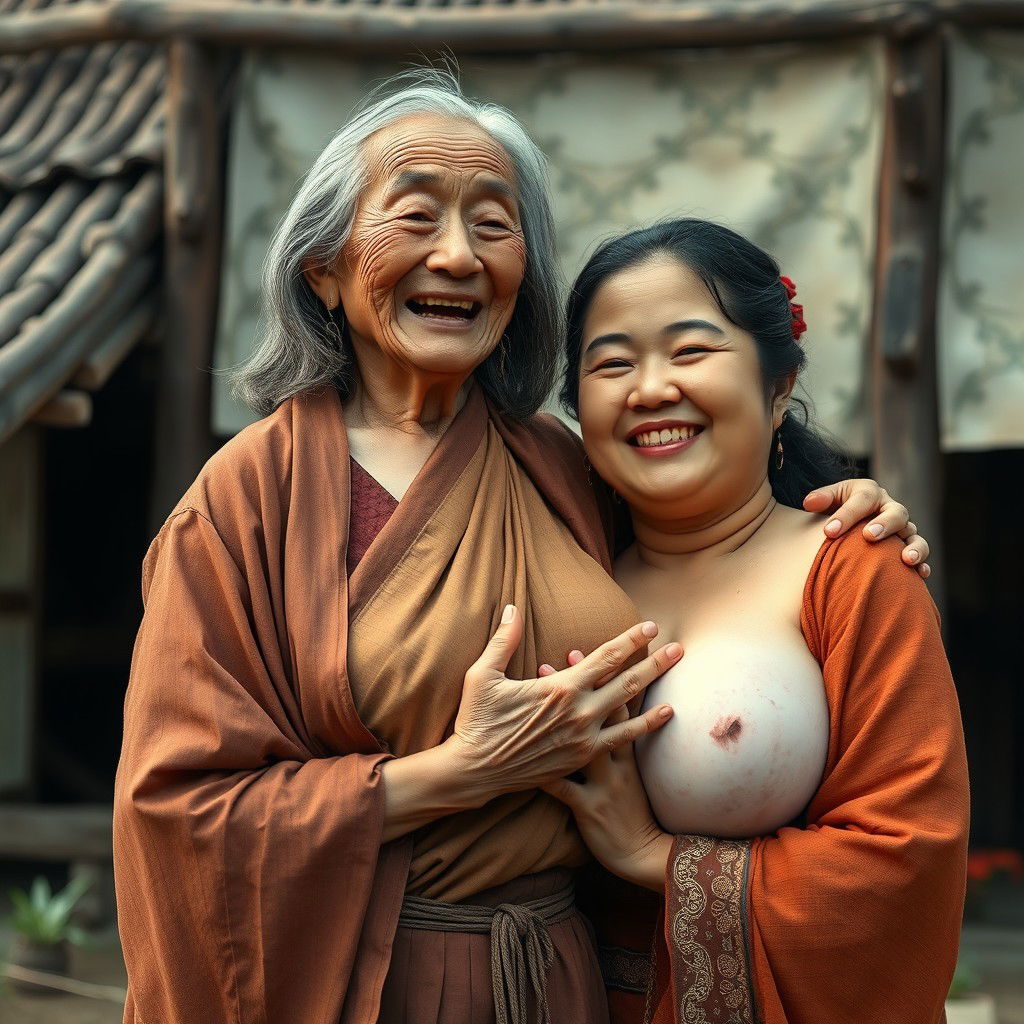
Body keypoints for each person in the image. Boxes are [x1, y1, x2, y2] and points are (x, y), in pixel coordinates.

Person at [113, 73, 932, 1024]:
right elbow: (175, 817)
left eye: (494, 225)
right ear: (323, 269)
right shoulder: (247, 504)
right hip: (371, 987)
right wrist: (462, 773)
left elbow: (712, 533)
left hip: (562, 978)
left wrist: (841, 502)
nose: (457, 256)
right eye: (415, 217)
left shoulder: (562, 471)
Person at [545, 218, 969, 1024]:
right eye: (611, 363)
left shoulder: (851, 571)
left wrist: (653, 858)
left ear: (779, 386)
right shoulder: (557, 561)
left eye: (692, 350)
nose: (649, 388)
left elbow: (906, 861)